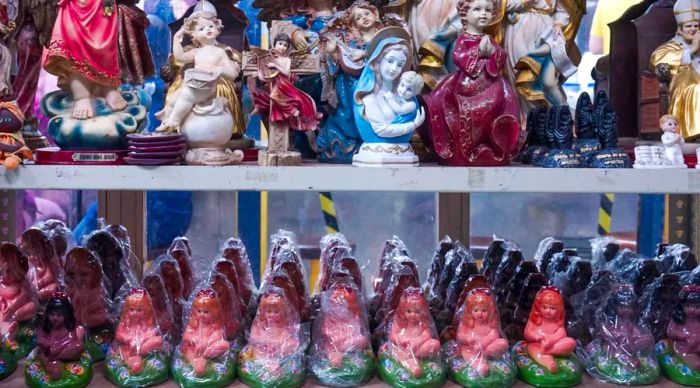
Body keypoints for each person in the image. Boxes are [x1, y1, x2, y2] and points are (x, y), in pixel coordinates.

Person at [156, 11, 241, 133]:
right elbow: (179, 57)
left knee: (186, 95)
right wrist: (177, 37)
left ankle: (174, 121)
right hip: (193, 84)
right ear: (193, 35)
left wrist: (220, 70)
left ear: (217, 28)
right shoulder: (196, 52)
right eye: (201, 29)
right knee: (173, 99)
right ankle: (166, 123)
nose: (208, 29)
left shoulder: (220, 52)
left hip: (208, 86)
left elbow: (232, 73)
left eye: (211, 26)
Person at [44, 0, 126, 119]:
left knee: (105, 46)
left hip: (103, 6)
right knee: (74, 46)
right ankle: (81, 95)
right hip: (75, 7)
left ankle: (109, 87)